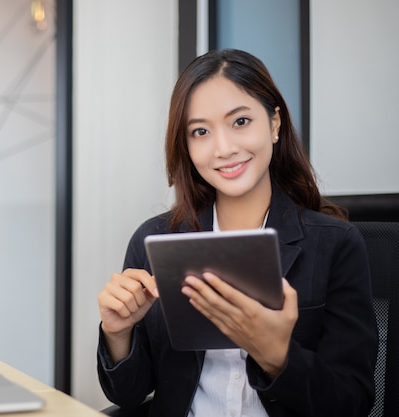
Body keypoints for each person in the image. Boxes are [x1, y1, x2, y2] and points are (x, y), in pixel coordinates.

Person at [96, 49, 377, 417]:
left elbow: (351, 403)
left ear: (275, 124)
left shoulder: (336, 244)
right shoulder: (156, 241)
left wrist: (276, 357)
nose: (224, 148)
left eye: (240, 121)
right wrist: (118, 334)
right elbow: (130, 395)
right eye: (200, 131)